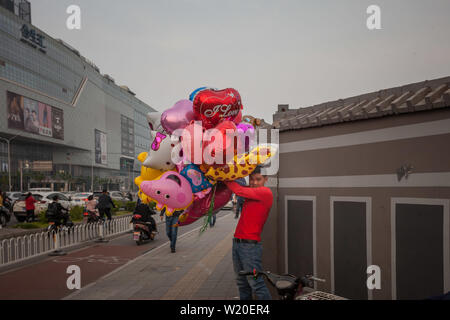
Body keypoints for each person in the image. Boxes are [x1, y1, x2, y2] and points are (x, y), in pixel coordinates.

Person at [225, 166, 273, 300]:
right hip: (238, 243)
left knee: (256, 284)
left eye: (258, 179)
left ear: (266, 179)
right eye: (251, 180)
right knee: (242, 284)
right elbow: (241, 188)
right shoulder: (252, 192)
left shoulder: (265, 192)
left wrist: (222, 176)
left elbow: (237, 189)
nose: (254, 183)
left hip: (250, 247)